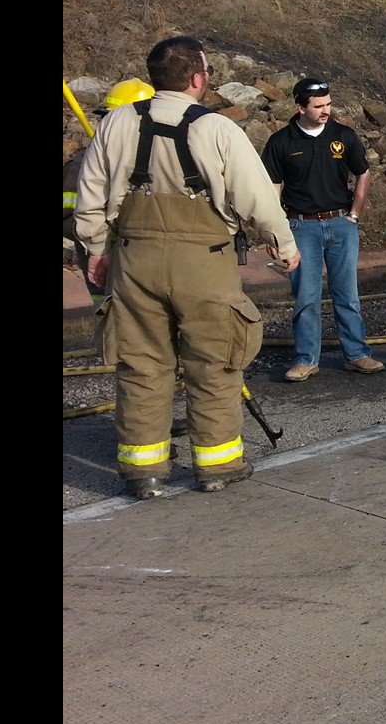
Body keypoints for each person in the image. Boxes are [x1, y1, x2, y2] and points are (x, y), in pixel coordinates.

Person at [74, 36, 301, 499]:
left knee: (140, 365)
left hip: (135, 259)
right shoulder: (217, 129)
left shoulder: (115, 124)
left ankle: (145, 471)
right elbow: (256, 197)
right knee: (214, 363)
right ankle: (218, 465)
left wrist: (97, 251)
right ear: (198, 78)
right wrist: (283, 245)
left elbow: (90, 199)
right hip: (205, 261)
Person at [262, 77, 384, 381]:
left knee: (348, 294)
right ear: (300, 107)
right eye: (318, 106)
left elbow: (363, 173)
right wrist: (276, 232)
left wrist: (354, 214)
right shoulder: (281, 142)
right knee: (306, 296)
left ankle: (357, 354)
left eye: (328, 104)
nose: (325, 110)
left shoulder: (344, 136)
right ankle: (306, 359)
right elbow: (272, 188)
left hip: (342, 225)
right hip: (301, 227)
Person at [64, 78, 155, 305]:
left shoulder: (162, 159)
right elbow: (68, 215)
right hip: (106, 268)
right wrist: (100, 233)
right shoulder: (84, 164)